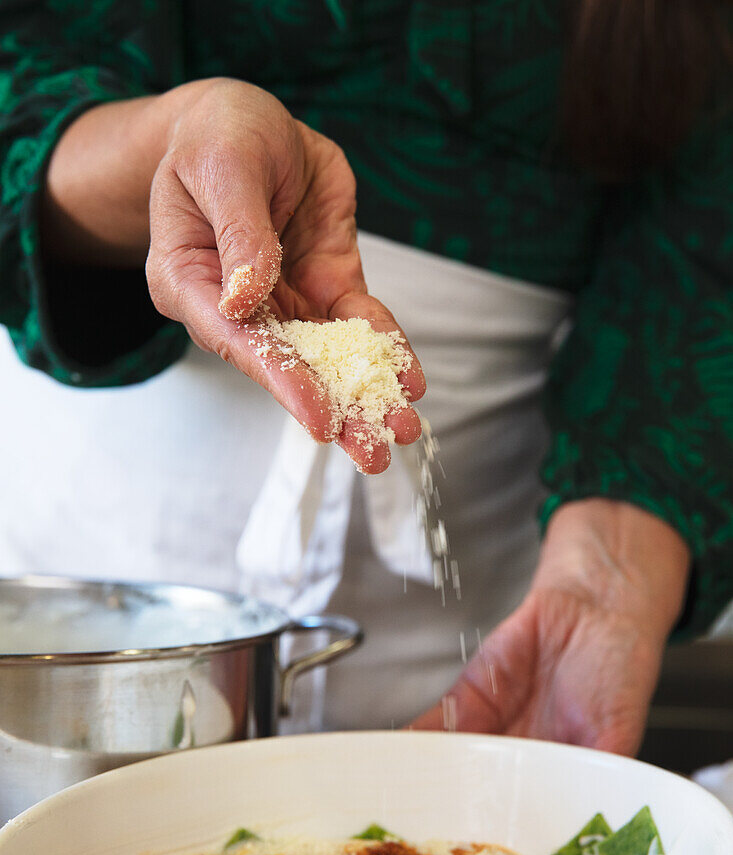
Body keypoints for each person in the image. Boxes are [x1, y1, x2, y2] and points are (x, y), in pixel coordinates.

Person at [0, 2, 730, 754]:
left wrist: (605, 581)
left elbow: (702, 260)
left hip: (475, 646)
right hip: (89, 629)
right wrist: (171, 138)